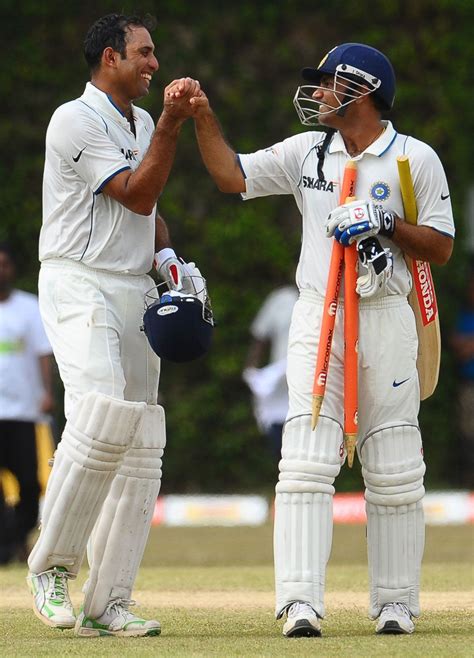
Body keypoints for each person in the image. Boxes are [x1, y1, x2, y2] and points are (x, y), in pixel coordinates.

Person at [185, 43, 455, 636]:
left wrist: (384, 221)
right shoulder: (308, 150)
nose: (318, 94)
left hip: (387, 315)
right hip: (320, 314)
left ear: (363, 90)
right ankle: (300, 603)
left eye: (329, 83)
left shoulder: (414, 158)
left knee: (395, 467)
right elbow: (233, 175)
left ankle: (395, 604)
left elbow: (440, 245)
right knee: (305, 462)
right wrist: (203, 116)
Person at [27, 13, 202, 637]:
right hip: (79, 280)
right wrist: (176, 125)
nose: (154, 64)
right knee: (101, 412)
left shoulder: (139, 122)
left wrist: (170, 262)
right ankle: (51, 568)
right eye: (144, 53)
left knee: (141, 438)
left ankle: (109, 602)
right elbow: (135, 191)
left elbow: (147, 215)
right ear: (110, 57)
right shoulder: (73, 120)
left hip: (132, 285)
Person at [0, 243, 55, 565]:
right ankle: (7, 546)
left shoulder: (29, 307)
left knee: (29, 486)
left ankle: (15, 541)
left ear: (12, 269)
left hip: (23, 412)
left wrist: (47, 393)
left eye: (4, 264)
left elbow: (43, 354)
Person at [242, 283, 298, 463]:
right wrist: (252, 368)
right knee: (279, 428)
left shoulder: (328, 295)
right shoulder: (281, 299)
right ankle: (284, 479)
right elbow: (260, 335)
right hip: (281, 376)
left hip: (315, 375)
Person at [450, 262, 474, 488]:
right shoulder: (465, 315)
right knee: (467, 435)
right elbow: (458, 346)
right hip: (468, 384)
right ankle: (468, 485)